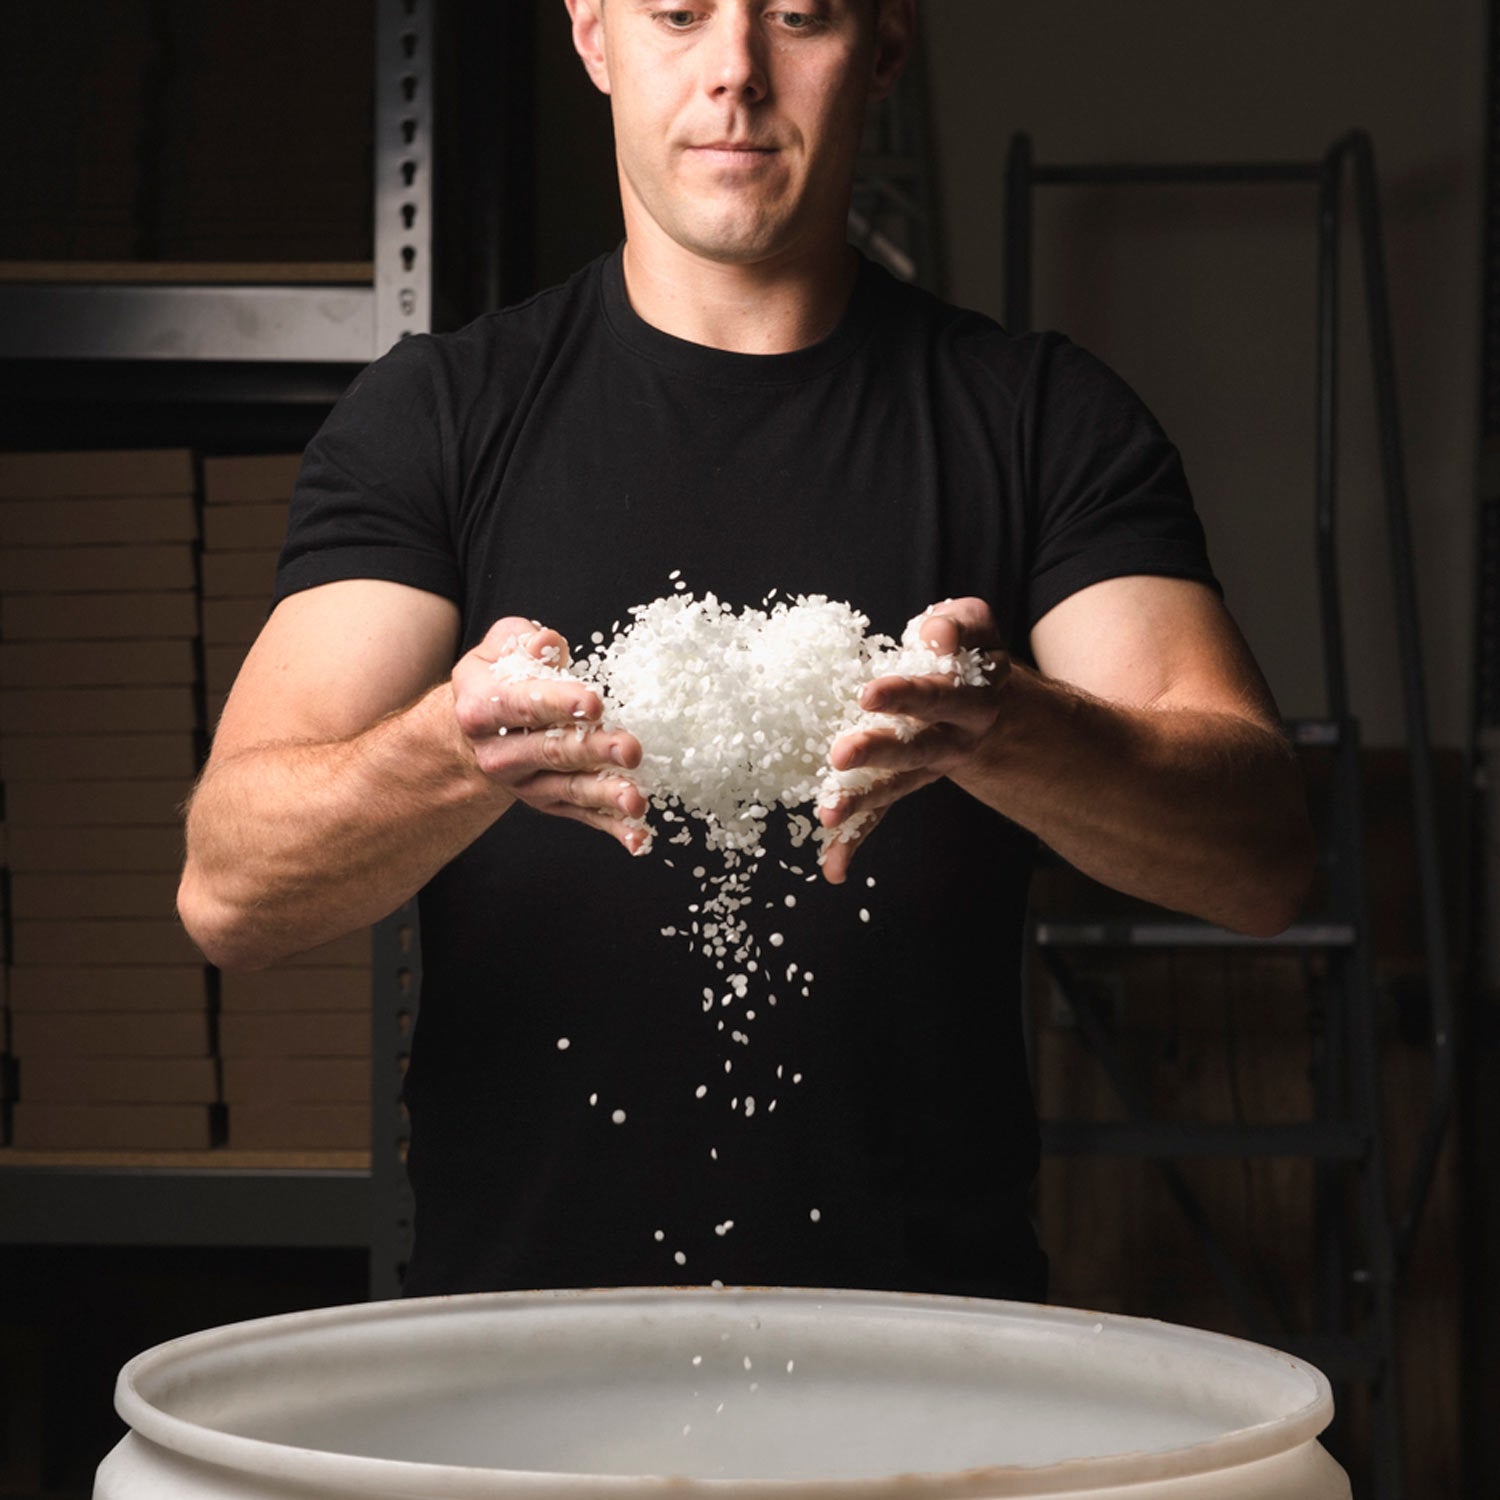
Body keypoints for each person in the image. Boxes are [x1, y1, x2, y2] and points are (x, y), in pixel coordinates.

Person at [177, 0, 1312, 1299]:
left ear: (885, 44)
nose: (736, 74)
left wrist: (1020, 727)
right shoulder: (436, 420)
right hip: (522, 1378)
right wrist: (451, 749)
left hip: (928, 1372)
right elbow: (229, 890)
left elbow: (1263, 858)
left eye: (802, 17)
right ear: (594, 32)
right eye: (678, 12)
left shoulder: (1042, 422)